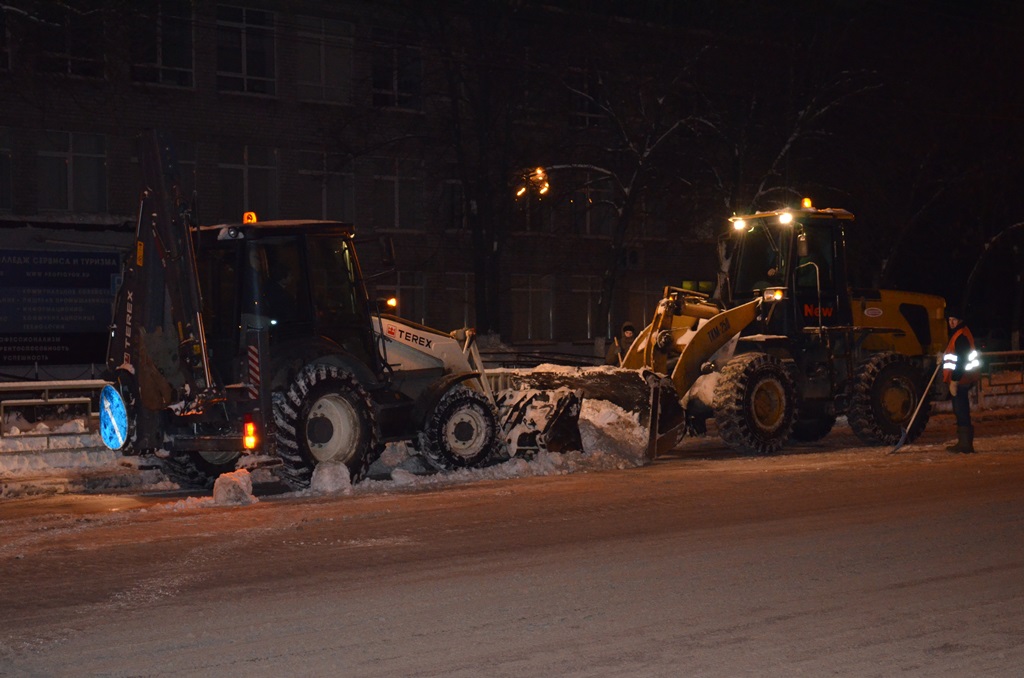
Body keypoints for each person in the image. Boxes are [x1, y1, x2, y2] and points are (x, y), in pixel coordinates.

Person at [942, 312, 981, 453]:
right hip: (962, 378)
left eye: (954, 320)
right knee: (960, 410)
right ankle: (964, 443)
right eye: (950, 320)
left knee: (961, 409)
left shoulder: (961, 336)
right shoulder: (958, 333)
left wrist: (955, 380)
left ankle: (965, 444)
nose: (951, 323)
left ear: (960, 320)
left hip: (962, 379)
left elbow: (962, 360)